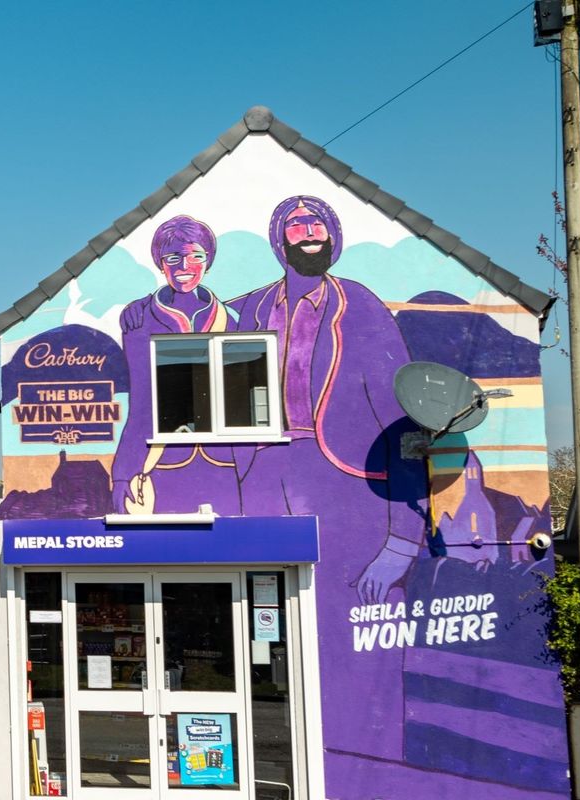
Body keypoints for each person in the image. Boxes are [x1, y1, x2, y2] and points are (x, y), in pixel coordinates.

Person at [231, 195, 428, 765]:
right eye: (296, 224)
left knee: (360, 625)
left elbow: (405, 423)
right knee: (265, 622)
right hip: (263, 472)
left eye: (317, 222)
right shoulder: (249, 309)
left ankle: (370, 761)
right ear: (279, 240)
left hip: (347, 480)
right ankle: (289, 754)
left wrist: (401, 540)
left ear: (334, 235)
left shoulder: (361, 306)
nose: (308, 231)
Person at [111, 215, 241, 515]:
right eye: (173, 258)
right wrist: (122, 473)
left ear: (208, 261)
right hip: (167, 461)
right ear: (161, 263)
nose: (185, 266)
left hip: (225, 462)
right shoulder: (140, 320)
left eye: (196, 256)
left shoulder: (232, 320)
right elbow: (141, 404)